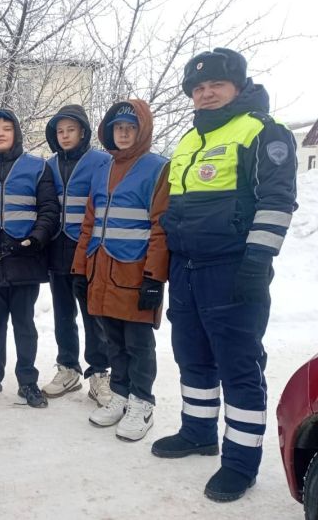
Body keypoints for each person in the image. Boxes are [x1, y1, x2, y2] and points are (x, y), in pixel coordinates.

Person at [151, 48, 298, 502]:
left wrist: (256, 264)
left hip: (233, 270)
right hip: (187, 269)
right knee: (192, 355)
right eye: (198, 88)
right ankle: (198, 431)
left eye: (215, 85)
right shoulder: (188, 141)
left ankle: (240, 462)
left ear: (237, 85)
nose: (206, 93)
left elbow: (276, 203)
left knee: (238, 365)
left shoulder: (262, 131)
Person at [72, 99, 169, 441]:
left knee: (138, 343)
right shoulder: (103, 168)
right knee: (112, 340)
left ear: (141, 131)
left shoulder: (158, 168)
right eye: (118, 128)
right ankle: (120, 394)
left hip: (135, 272)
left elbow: (161, 226)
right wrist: (79, 268)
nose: (124, 134)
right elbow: (89, 223)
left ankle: (142, 403)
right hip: (101, 270)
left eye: (130, 128)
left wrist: (155, 277)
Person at [0, 109, 60, 408]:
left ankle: (28, 381)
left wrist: (38, 238)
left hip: (25, 257)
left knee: (24, 322)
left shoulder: (37, 167)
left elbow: (49, 209)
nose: (1, 134)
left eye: (7, 128)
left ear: (16, 133)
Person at [41, 104, 112, 405]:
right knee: (62, 312)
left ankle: (99, 372)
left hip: (88, 247)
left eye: (71, 130)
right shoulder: (49, 164)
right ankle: (68, 367)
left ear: (83, 131)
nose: (65, 135)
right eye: (60, 131)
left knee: (92, 312)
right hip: (57, 246)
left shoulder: (102, 162)